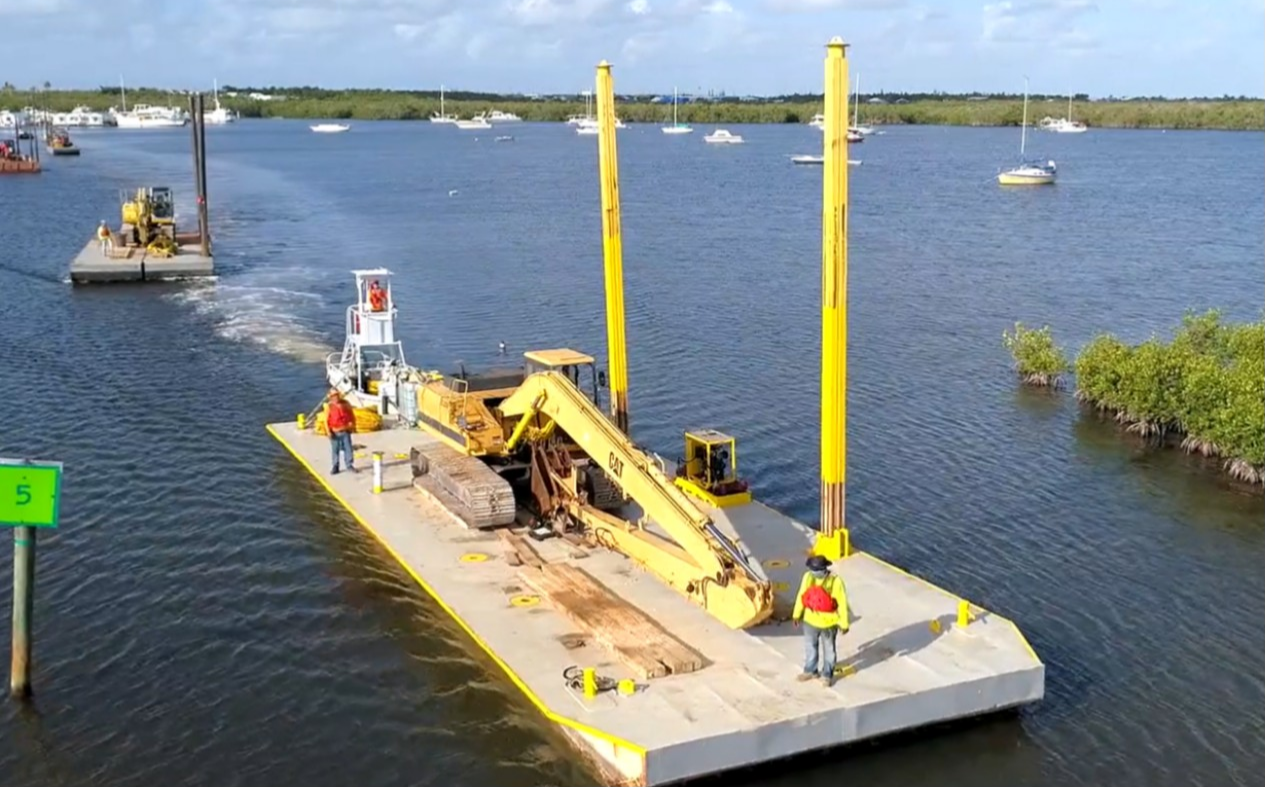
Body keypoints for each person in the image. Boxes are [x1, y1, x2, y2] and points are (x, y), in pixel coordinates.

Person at [792, 554, 849, 686]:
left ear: (824, 569)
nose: (813, 572)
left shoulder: (836, 581)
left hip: (828, 623)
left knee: (829, 650)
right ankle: (810, 670)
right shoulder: (807, 577)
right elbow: (802, 595)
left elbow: (842, 603)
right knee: (810, 647)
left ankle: (827, 674)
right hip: (810, 620)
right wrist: (796, 614)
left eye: (815, 569)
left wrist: (843, 624)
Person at [326, 390, 356, 475]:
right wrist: (328, 431)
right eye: (334, 396)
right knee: (335, 449)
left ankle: (349, 464)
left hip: (345, 430)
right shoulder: (329, 406)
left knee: (348, 448)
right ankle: (335, 466)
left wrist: (353, 425)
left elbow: (351, 415)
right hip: (335, 431)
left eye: (337, 395)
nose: (336, 397)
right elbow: (326, 420)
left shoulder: (346, 404)